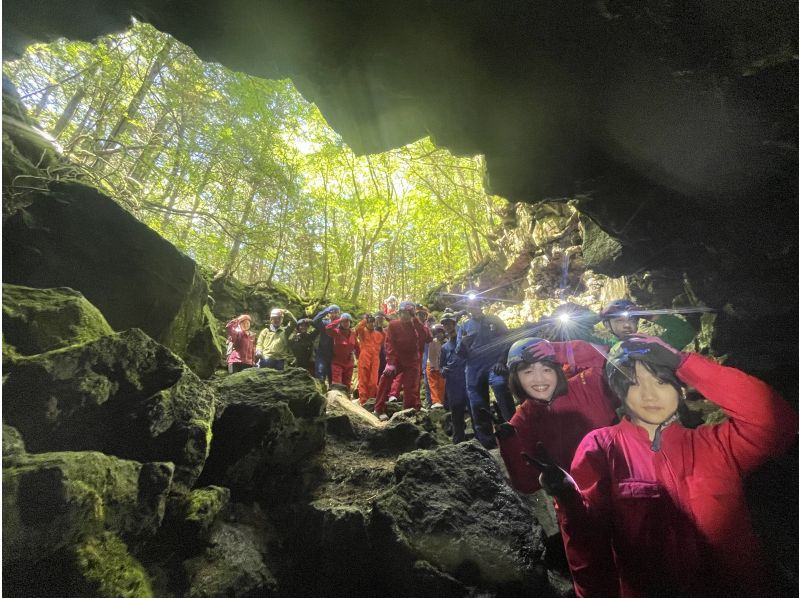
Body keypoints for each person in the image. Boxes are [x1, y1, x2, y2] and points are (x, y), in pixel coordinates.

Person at [531, 336, 797, 598]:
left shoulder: (716, 444)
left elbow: (776, 420)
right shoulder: (603, 447)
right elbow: (589, 540)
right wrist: (568, 499)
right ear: (619, 393)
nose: (649, 394)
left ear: (679, 389)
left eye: (661, 381)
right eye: (633, 383)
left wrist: (684, 363)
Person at [496, 337, 618, 494]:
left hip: (630, 484)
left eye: (546, 369)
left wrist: (563, 350)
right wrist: (509, 443)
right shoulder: (521, 422)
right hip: (582, 503)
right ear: (516, 379)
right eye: (528, 372)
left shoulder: (587, 384)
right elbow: (527, 485)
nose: (539, 379)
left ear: (557, 370)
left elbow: (615, 363)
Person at [455, 298, 516, 449]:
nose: (473, 306)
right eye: (470, 304)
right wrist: (463, 344)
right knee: (477, 404)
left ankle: (515, 432)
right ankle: (487, 444)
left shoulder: (494, 320)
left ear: (481, 305)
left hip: (494, 365)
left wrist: (502, 361)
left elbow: (508, 340)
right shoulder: (464, 326)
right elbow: (459, 353)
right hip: (473, 368)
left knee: (501, 387)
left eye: (476, 304)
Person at [373, 300, 432, 421]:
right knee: (386, 378)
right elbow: (389, 344)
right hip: (397, 359)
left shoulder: (416, 325)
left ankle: (408, 412)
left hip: (412, 361)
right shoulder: (394, 325)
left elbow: (427, 337)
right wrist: (390, 362)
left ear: (411, 314)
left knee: (411, 387)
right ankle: (378, 409)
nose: (404, 316)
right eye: (402, 313)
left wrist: (415, 319)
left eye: (407, 313)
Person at [598, 298, 696, 349]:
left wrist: (650, 315)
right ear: (607, 325)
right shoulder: (603, 351)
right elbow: (584, 339)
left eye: (632, 320)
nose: (627, 325)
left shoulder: (648, 346)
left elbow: (685, 332)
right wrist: (599, 316)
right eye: (619, 320)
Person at [439, 311, 469, 442]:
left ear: (454, 323)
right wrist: (443, 370)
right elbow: (441, 367)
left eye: (449, 323)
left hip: (468, 379)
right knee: (456, 412)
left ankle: (483, 440)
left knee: (474, 409)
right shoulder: (444, 347)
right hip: (453, 383)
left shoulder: (464, 340)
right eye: (445, 324)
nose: (448, 326)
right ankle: (458, 441)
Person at [354, 313, 385, 405]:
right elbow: (358, 328)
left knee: (373, 382)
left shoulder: (379, 334)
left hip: (375, 359)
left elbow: (387, 336)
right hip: (364, 358)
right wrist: (365, 319)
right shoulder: (363, 332)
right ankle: (363, 401)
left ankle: (371, 400)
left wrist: (380, 326)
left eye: (373, 322)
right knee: (363, 380)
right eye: (370, 322)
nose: (371, 324)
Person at [325, 313, 358, 391]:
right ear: (340, 323)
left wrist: (358, 357)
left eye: (348, 321)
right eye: (344, 322)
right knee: (337, 384)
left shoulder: (353, 333)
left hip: (349, 363)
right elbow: (327, 328)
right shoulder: (336, 332)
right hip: (337, 362)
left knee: (347, 385)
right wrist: (339, 319)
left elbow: (357, 347)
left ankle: (346, 400)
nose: (346, 323)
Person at [312, 304, 341, 383]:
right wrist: (326, 310)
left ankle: (332, 393)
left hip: (334, 355)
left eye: (336, 312)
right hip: (322, 353)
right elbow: (315, 321)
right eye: (332, 312)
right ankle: (320, 391)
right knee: (320, 374)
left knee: (332, 377)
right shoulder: (325, 323)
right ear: (329, 314)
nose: (334, 315)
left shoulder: (341, 326)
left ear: (339, 314)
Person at [425, 324, 447, 408]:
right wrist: (433, 366)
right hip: (432, 365)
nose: (439, 334)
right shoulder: (433, 342)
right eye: (437, 332)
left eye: (440, 332)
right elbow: (431, 355)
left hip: (441, 366)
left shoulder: (446, 342)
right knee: (433, 384)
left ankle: (441, 401)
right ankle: (435, 401)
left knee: (442, 384)